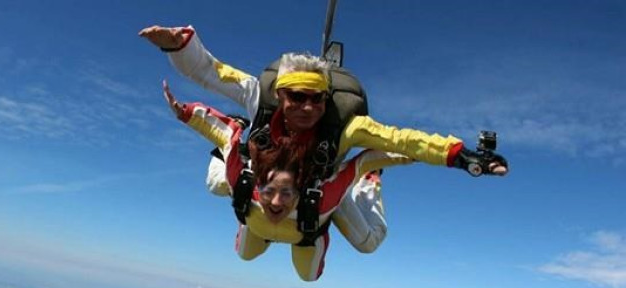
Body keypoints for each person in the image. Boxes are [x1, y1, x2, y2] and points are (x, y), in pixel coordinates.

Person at [139, 25, 508, 273]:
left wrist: (459, 156)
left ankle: (367, 186)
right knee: (242, 239)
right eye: (297, 98)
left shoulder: (345, 126)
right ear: (280, 95)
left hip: (322, 190)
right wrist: (180, 45)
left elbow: (403, 140)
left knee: (359, 248)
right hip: (264, 186)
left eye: (316, 100)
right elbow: (213, 72)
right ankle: (234, 160)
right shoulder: (259, 97)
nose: (308, 108)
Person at [162, 80, 413, 281]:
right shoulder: (248, 184)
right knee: (232, 220)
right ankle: (258, 199)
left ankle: (365, 185)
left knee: (359, 247)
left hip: (315, 204)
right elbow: (225, 134)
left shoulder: (323, 196)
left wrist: (415, 153)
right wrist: (185, 112)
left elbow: (362, 163)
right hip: (268, 193)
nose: (276, 200)